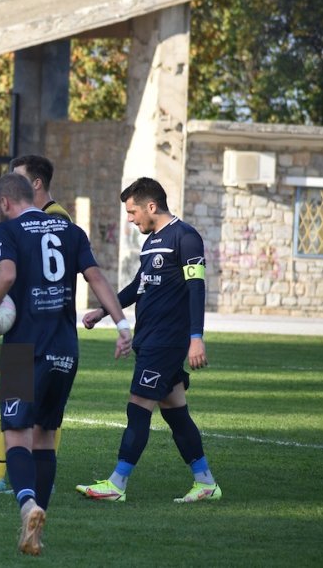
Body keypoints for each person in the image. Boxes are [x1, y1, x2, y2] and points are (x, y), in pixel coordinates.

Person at [0, 173, 131, 556]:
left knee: (17, 435)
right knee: (46, 437)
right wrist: (122, 324)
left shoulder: (7, 230)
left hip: (25, 349)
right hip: (66, 349)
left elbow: (5, 276)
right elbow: (96, 277)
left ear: (5, 202)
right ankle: (36, 530)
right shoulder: (70, 230)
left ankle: (28, 506)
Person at [76, 177, 222, 505]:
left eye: (132, 211)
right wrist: (104, 311)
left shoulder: (185, 237)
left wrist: (196, 338)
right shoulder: (151, 242)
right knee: (175, 413)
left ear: (151, 206)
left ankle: (117, 483)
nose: (129, 218)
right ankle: (206, 483)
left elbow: (197, 288)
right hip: (149, 339)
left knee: (137, 408)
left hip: (167, 343)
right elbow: (137, 286)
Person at [0, 154, 72, 494]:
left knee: (41, 414)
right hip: (27, 332)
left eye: (19, 178)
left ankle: (38, 483)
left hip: (44, 334)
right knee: (17, 409)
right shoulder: (26, 223)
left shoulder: (54, 220)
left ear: (35, 184)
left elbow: (20, 278)